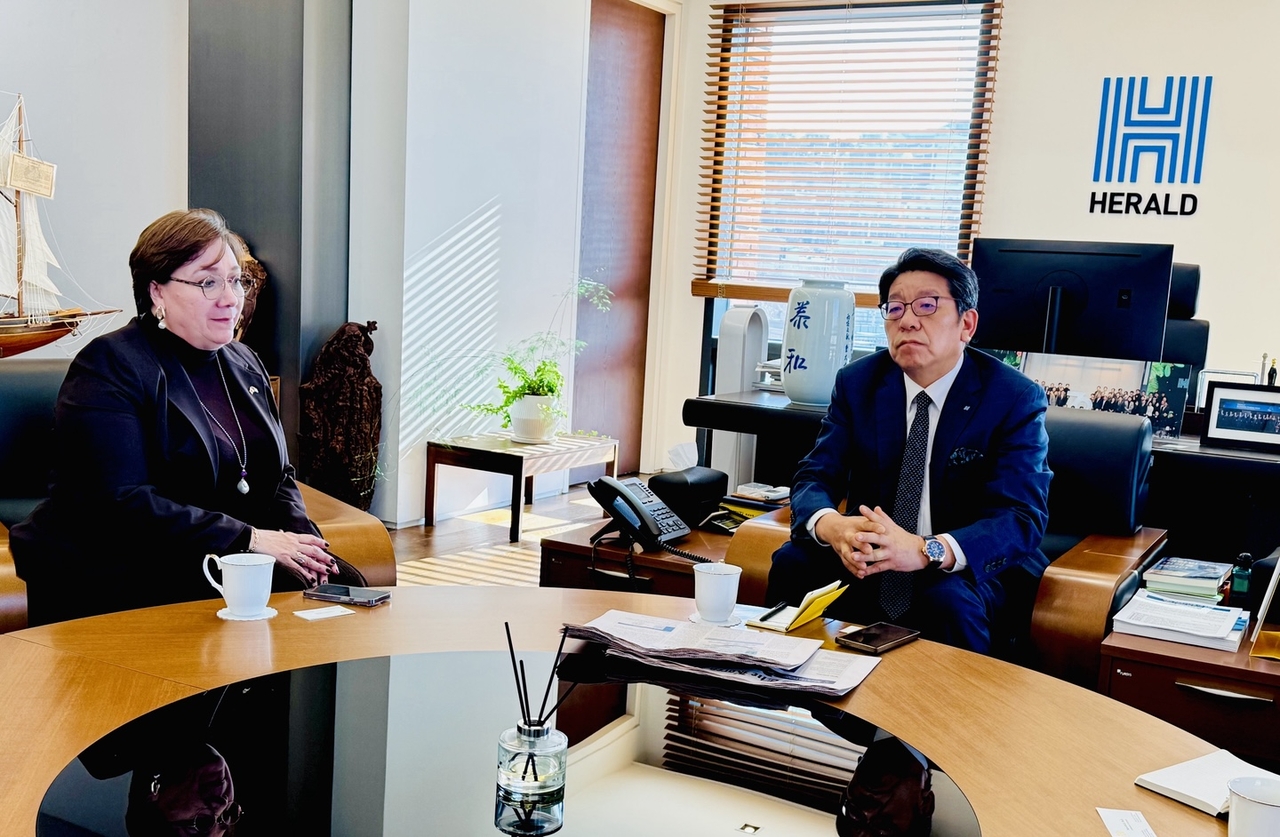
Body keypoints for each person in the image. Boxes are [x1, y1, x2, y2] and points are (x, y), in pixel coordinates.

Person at [11, 209, 350, 626]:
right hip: (126, 566)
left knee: (347, 604)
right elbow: (120, 502)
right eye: (208, 282)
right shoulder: (109, 365)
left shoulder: (245, 362)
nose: (230, 298)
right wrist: (252, 539)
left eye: (235, 279)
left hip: (233, 561)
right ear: (157, 291)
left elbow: (276, 474)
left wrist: (304, 544)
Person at [766, 248, 1052, 653]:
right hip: (871, 560)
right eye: (895, 308)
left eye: (927, 306)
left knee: (947, 602)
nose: (908, 321)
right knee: (793, 563)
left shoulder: (1012, 397)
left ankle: (953, 717)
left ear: (966, 324)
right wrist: (835, 527)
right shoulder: (859, 383)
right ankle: (797, 691)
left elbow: (1021, 517)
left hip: (960, 567)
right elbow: (815, 477)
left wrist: (923, 550)